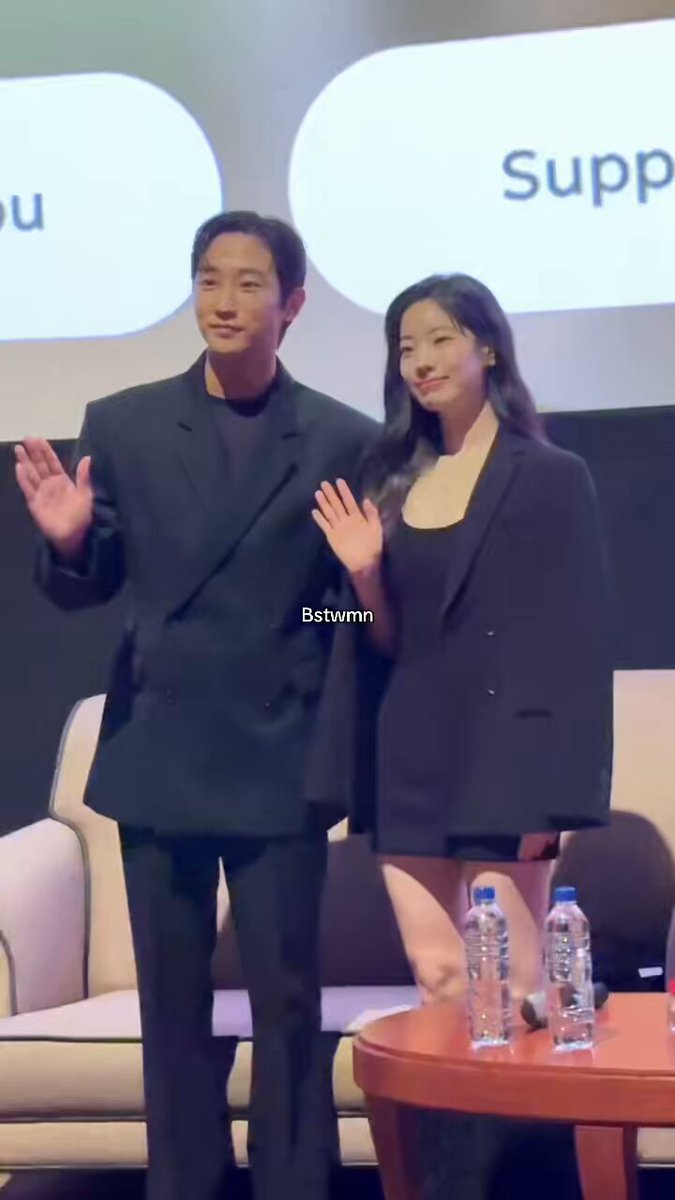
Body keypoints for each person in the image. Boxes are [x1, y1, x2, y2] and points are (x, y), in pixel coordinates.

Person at [14, 211, 378, 1200]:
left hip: (279, 751)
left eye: (249, 283)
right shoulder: (124, 424)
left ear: (292, 304)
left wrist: (323, 610)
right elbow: (94, 583)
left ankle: (294, 1183)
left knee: (286, 1003)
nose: (225, 301)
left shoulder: (343, 437)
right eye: (210, 279)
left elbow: (344, 613)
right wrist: (72, 540)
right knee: (170, 1008)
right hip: (159, 751)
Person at [309, 272, 613, 1012]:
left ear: (489, 350)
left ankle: (521, 1096)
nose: (422, 361)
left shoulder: (551, 476)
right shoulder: (385, 480)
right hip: (405, 754)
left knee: (511, 984)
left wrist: (555, 796)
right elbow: (375, 637)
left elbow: (577, 642)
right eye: (406, 347)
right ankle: (451, 1097)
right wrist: (363, 576)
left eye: (441, 339)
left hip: (507, 761)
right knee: (439, 975)